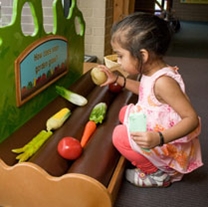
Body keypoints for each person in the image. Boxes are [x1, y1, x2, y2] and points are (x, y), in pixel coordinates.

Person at [99, 12, 203, 187]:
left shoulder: (164, 82)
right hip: (158, 123)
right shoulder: (151, 71)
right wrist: (118, 79)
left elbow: (191, 119)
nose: (118, 61)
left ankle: (157, 174)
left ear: (143, 55)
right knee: (125, 112)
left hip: (166, 142)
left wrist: (159, 138)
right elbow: (144, 90)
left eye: (120, 56)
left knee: (118, 136)